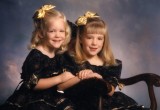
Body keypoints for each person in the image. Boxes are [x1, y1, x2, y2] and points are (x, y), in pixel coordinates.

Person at [57, 11, 148, 110]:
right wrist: (81, 77)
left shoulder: (111, 64)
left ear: (104, 40)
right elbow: (60, 87)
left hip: (106, 103)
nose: (94, 43)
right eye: (89, 38)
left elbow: (111, 91)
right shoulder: (71, 59)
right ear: (80, 39)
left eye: (99, 39)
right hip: (78, 102)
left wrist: (99, 79)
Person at [0, 4, 75, 110]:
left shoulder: (58, 55)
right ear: (41, 33)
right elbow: (33, 85)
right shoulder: (36, 56)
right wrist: (60, 78)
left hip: (53, 95)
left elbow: (76, 31)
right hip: (33, 98)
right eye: (52, 31)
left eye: (61, 31)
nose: (58, 35)